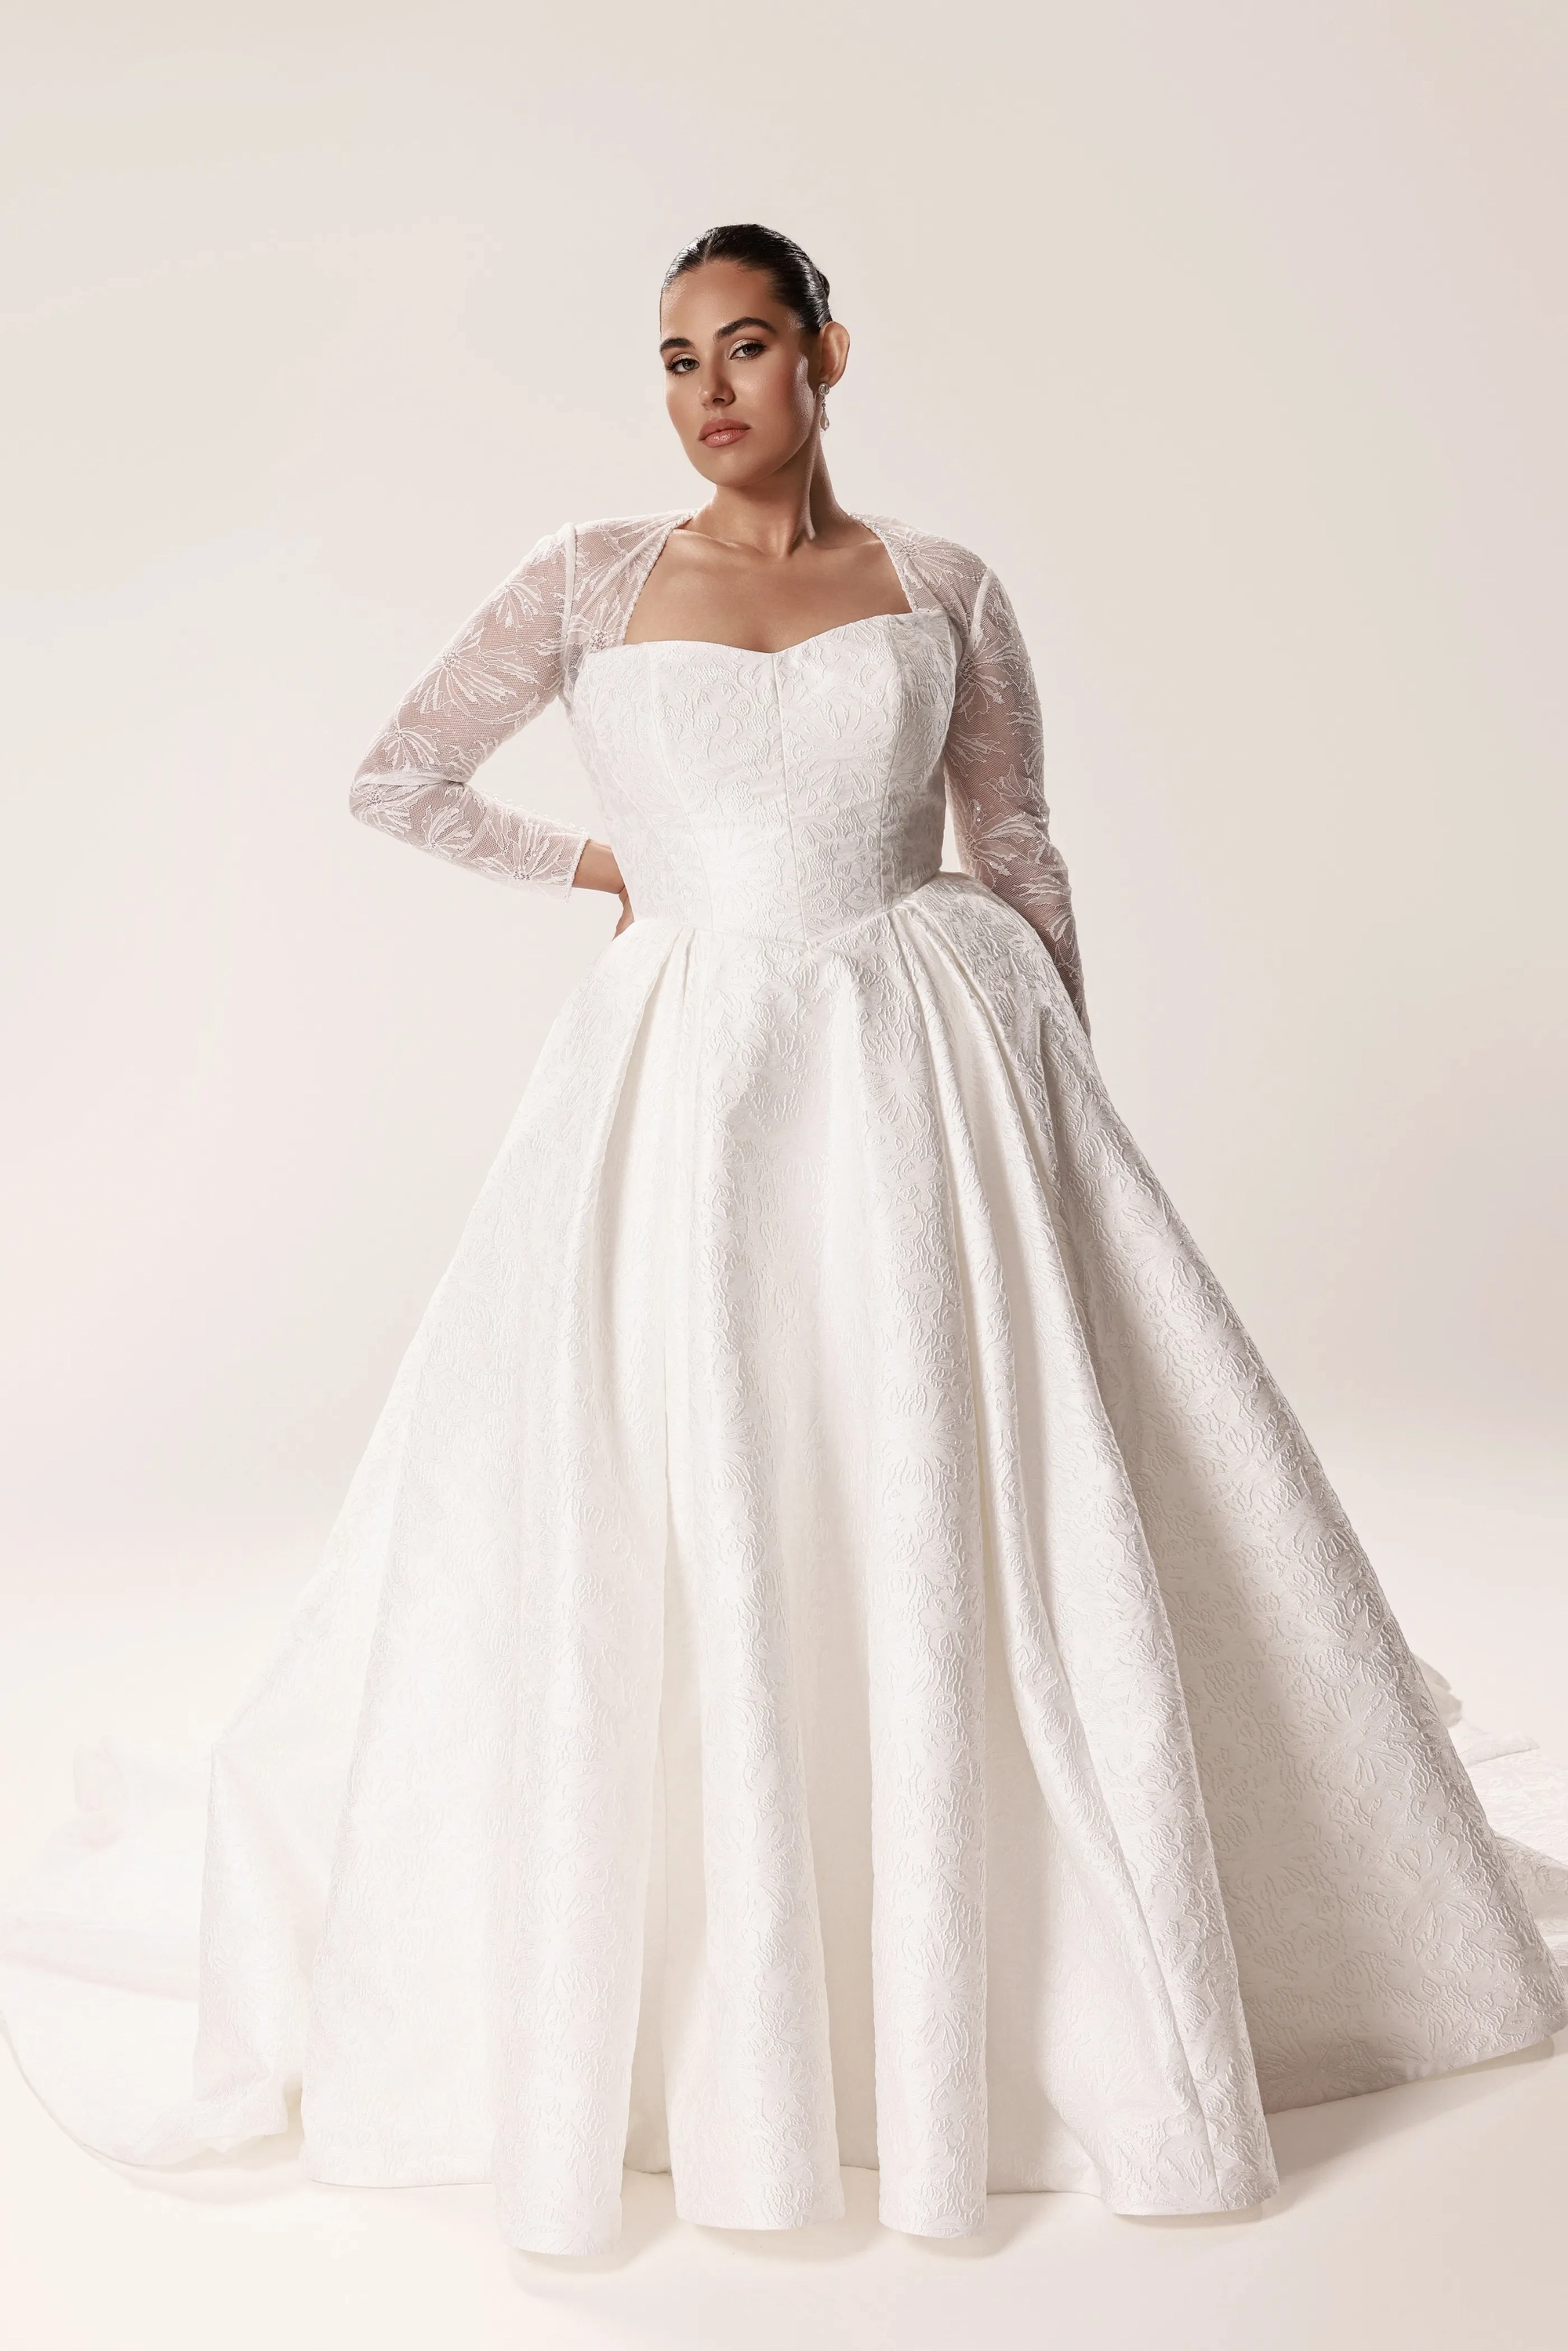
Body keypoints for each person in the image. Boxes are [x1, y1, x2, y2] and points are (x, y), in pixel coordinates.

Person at [2, 223, 1562, 2259]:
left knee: (934, 1486)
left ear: (829, 354)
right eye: (675, 360)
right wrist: (606, 862)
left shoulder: (944, 585)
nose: (708, 392)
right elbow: (400, 774)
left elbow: (1014, 840)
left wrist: (1069, 1118)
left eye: (745, 347)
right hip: (693, 1082)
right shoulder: (587, 578)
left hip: (923, 1067)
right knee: (698, 1471)